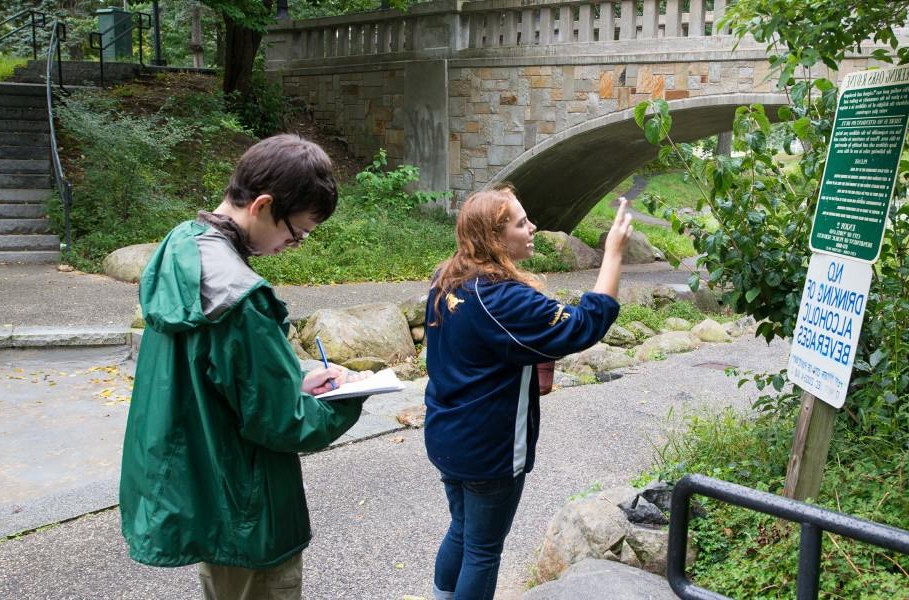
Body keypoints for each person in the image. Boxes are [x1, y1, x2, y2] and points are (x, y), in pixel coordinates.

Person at [119, 134, 371, 600]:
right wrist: (350, 398)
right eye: (295, 232)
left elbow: (216, 376)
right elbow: (285, 423)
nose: (292, 244)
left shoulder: (186, 250)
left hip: (210, 488)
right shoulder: (241, 300)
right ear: (262, 205)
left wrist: (293, 378)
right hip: (249, 503)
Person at [422, 183, 634, 600]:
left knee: (461, 529)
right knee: (483, 549)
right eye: (521, 223)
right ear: (495, 238)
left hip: (447, 432)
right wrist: (613, 253)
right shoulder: (503, 298)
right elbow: (585, 323)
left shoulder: (448, 276)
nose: (532, 227)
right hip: (489, 447)